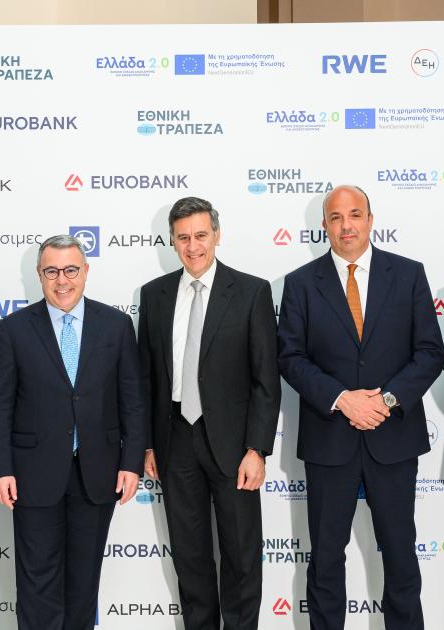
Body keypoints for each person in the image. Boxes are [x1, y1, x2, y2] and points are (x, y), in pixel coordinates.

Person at [276, 185, 443, 630]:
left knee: (401, 557)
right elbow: (290, 358)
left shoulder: (408, 274)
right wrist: (342, 399)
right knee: (326, 559)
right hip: (329, 439)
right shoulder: (300, 283)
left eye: (354, 215)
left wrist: (386, 400)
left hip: (394, 438)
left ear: (370, 220)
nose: (346, 225)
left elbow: (430, 352)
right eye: (336, 217)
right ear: (324, 226)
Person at [0, 235, 147, 630]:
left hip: (98, 473)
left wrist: (131, 463)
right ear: (39, 275)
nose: (62, 280)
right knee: (37, 585)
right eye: (52, 271)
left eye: (71, 270)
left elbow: (133, 401)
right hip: (32, 474)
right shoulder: (13, 329)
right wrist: (0, 469)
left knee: (83, 585)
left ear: (85, 271)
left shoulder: (116, 326)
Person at [137, 197, 281, 629]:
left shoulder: (252, 291)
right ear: (172, 241)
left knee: (241, 556)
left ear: (217, 235)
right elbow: (146, 379)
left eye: (201, 235)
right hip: (175, 440)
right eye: (183, 237)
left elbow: (266, 380)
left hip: (235, 446)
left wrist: (257, 449)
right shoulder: (154, 295)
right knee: (190, 557)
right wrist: (147, 444)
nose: (193, 246)